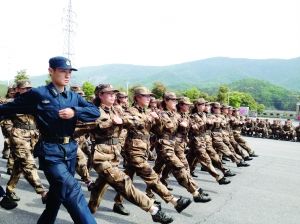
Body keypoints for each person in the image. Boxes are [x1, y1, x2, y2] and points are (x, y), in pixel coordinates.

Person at [0, 56, 99, 224]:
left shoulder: (73, 97)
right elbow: (7, 109)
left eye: (69, 72)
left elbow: (95, 111)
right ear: (51, 71)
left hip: (70, 151)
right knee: (72, 189)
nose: (67, 75)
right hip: (50, 152)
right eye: (62, 71)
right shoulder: (39, 94)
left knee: (56, 196)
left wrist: (75, 112)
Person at [87, 84, 174, 223]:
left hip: (113, 155)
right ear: (100, 95)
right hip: (100, 156)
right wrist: (109, 122)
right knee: (123, 181)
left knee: (99, 186)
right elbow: (92, 124)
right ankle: (152, 209)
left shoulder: (116, 110)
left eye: (113, 93)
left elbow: (134, 120)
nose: (112, 95)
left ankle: (87, 214)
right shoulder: (94, 111)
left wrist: (125, 120)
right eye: (108, 93)